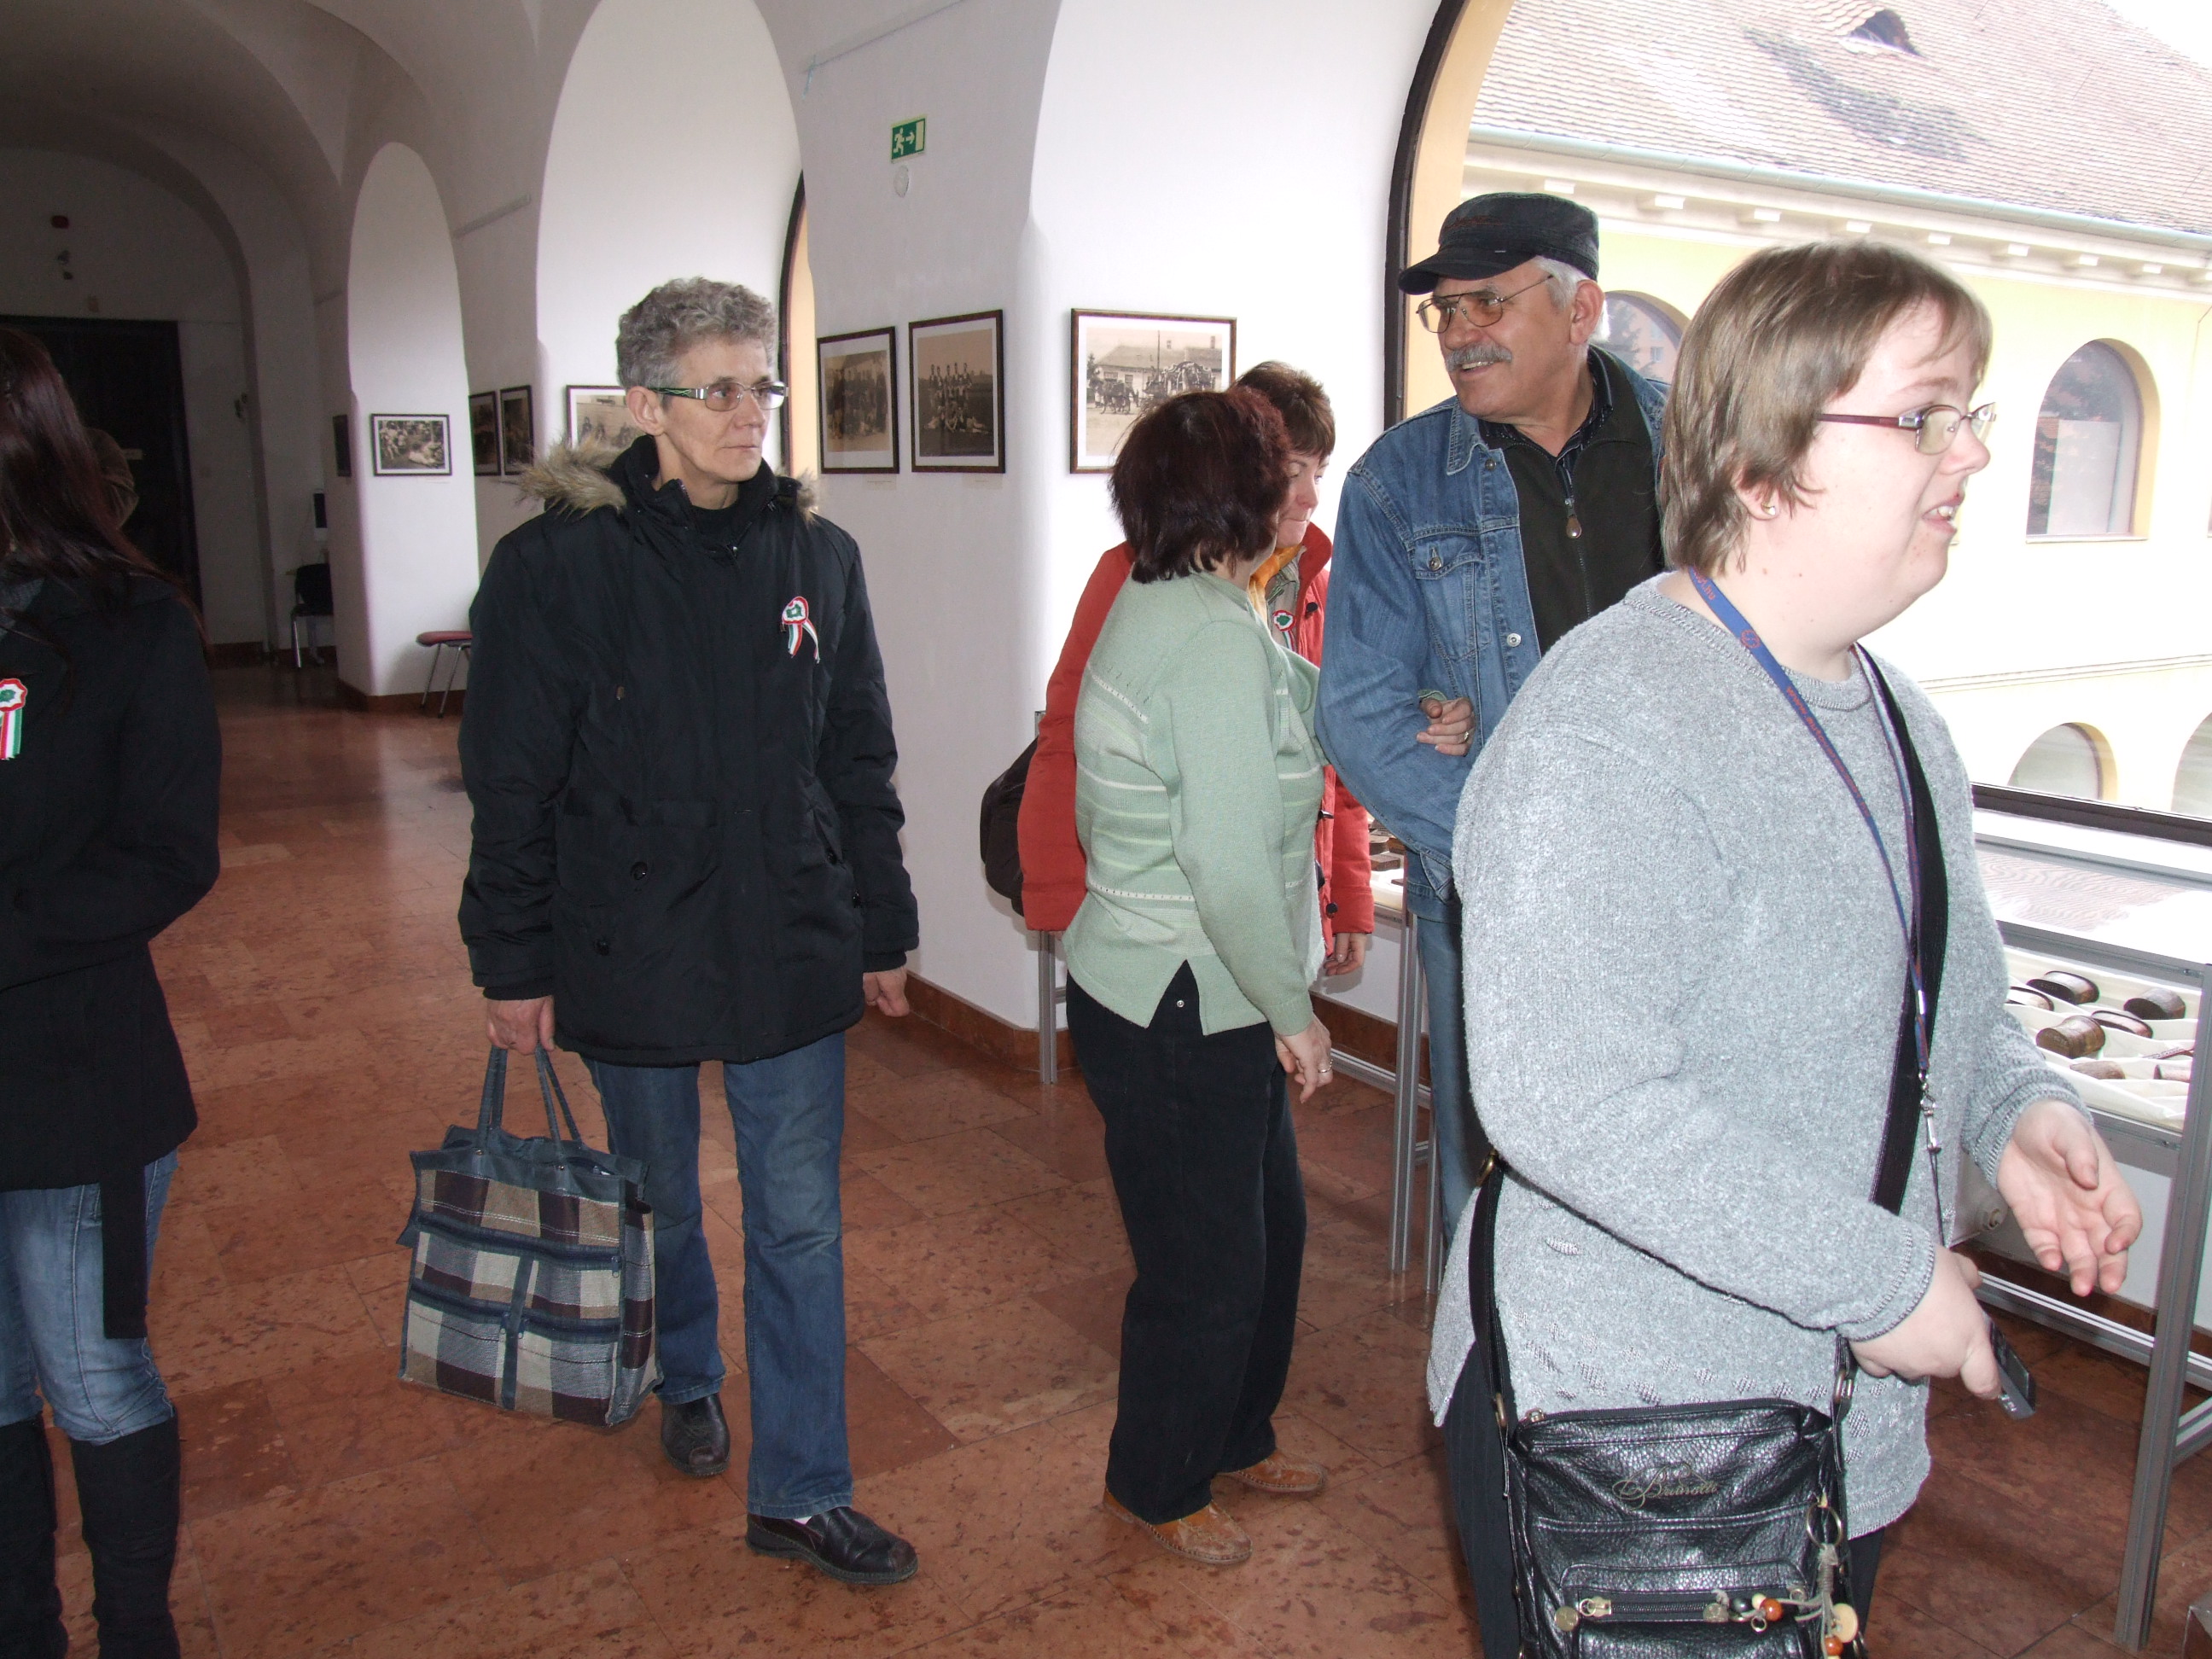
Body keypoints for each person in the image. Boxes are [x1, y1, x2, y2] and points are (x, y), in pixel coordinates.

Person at [1428, 240, 2142, 1647]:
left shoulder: (1899, 715)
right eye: (1924, 415)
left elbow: (1948, 994)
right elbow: (1571, 1097)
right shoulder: (1610, 728)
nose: (1972, 454)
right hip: (1636, 1438)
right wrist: (1884, 1279)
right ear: (1761, 466)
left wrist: (2014, 1110)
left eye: (1971, 412)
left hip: (1832, 1422)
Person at [458, 277, 922, 1586]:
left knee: (800, 1225)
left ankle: (804, 1492)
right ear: (644, 405)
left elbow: (858, 758)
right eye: (716, 388)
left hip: (789, 934)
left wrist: (881, 925)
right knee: (659, 1196)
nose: (748, 411)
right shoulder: (556, 569)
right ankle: (687, 1369)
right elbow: (512, 782)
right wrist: (511, 959)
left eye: (760, 384)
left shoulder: (819, 559)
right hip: (632, 941)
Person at [1316, 192, 1669, 1240]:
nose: (1460, 334)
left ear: (1581, 308)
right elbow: (1361, 714)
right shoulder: (1400, 481)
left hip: (1676, 893)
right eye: (1445, 311)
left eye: (1488, 303)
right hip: (1495, 901)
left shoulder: (1699, 447)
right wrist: (1526, 850)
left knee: (1667, 1176)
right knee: (1500, 1196)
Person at [1066, 388, 1335, 1569]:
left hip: (1182, 990)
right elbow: (1226, 865)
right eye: (1287, 474)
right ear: (1240, 498)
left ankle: (1235, 1434)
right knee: (1205, 1267)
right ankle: (1158, 1484)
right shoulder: (1206, 636)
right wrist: (1295, 1013)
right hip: (1183, 995)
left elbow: (1279, 718)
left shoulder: (1182, 598)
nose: (1304, 493)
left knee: (1266, 1233)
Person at [0, 327, 221, 1659]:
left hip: (74, 1068)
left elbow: (168, 854)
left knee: (90, 1373)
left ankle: (137, 1629)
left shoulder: (129, 626)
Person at [1022, 362, 1458, 962]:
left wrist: (1348, 897)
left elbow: (1336, 743)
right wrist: (1059, 893)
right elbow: (1072, 735)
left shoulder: (1317, 587)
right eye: (1292, 472)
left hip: (1282, 905)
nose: (1310, 496)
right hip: (1165, 915)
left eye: (1319, 473)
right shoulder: (1132, 576)